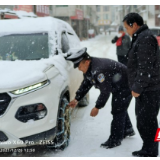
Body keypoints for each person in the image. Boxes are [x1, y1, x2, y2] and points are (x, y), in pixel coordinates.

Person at [67, 47, 135, 149]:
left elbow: (105, 91)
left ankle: (115, 140)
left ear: (86, 62)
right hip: (118, 85)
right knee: (120, 108)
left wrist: (97, 107)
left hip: (125, 84)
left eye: (79, 66)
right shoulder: (90, 68)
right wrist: (77, 99)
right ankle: (127, 129)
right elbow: (86, 83)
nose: (79, 69)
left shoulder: (99, 70)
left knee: (118, 110)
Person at [123, 12, 160, 157]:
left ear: (135, 25)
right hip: (146, 88)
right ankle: (150, 148)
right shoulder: (141, 37)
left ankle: (152, 150)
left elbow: (145, 67)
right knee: (146, 122)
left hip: (149, 89)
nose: (126, 30)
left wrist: (138, 87)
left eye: (127, 27)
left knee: (149, 123)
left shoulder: (145, 39)